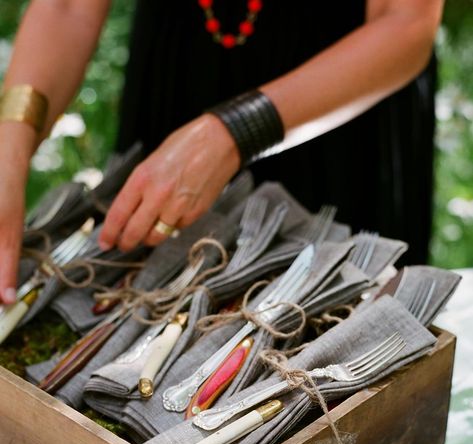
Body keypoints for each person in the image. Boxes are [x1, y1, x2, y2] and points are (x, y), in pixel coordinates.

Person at [0, 0, 443, 305]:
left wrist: (237, 130)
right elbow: (67, 6)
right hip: (178, 88)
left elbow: (405, 22)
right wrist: (11, 146)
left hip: (341, 110)